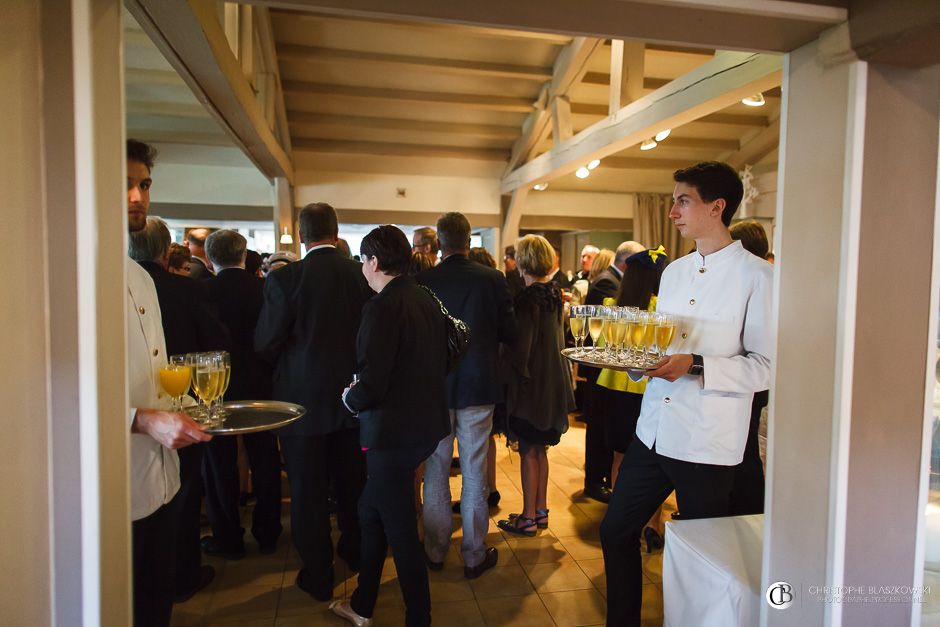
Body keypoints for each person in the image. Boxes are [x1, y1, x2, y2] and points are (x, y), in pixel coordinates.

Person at [600, 161, 773, 626]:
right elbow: (664, 344)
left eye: (683, 200)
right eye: (674, 200)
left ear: (716, 207)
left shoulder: (759, 277)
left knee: (704, 556)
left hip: (707, 441)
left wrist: (694, 366)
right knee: (615, 530)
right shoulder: (673, 272)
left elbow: (767, 367)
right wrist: (637, 363)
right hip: (654, 430)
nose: (673, 211)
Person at [331, 225, 450, 627]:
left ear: (374, 261)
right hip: (424, 425)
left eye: (363, 260)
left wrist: (350, 397)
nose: (362, 267)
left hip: (393, 435)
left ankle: (419, 617)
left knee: (400, 533)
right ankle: (363, 603)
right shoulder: (423, 296)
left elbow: (374, 381)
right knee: (370, 511)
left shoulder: (381, 306)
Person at [255, 203, 373, 602]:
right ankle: (356, 554)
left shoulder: (287, 280)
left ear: (302, 237)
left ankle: (319, 575)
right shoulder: (362, 275)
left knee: (307, 492)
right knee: (353, 484)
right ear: (337, 233)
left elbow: (266, 342)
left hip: (301, 402)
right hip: (354, 400)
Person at [125, 139, 213, 626]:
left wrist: (182, 404)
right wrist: (139, 419)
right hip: (113, 484)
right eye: (125, 185)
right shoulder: (66, 270)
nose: (137, 197)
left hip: (162, 475)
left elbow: (157, 371)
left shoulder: (141, 279)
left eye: (143, 184)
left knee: (156, 606)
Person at [128, 216, 229, 603]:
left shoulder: (135, 284)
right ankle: (183, 576)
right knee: (184, 493)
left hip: (165, 409)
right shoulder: (186, 290)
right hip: (178, 405)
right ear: (164, 249)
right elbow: (216, 344)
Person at [418, 213, 516, 579]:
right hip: (478, 384)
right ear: (469, 240)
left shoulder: (423, 280)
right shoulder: (492, 279)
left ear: (439, 243)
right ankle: (474, 554)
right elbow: (511, 331)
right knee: (475, 472)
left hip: (435, 388)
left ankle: (436, 550)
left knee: (436, 470)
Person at [201, 230, 283, 558]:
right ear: (244, 253)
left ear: (210, 258)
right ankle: (267, 532)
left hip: (215, 386)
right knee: (264, 459)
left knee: (219, 463)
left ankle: (228, 538)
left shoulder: (203, 290)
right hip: (261, 383)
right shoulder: (265, 289)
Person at [496, 235, 575, 537]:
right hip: (552, 383)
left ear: (523, 261)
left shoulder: (529, 299)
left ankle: (528, 517)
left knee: (529, 450)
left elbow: (521, 351)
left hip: (531, 387)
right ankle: (540, 511)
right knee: (540, 450)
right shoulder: (554, 294)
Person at [594, 247, 668, 552]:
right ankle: (653, 524)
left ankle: (620, 515)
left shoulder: (613, 307)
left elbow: (600, 349)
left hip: (614, 389)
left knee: (620, 457)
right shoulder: (661, 310)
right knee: (653, 461)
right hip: (649, 392)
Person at [581, 243, 641, 504]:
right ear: (628, 264)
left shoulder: (609, 279)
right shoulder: (609, 284)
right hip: (602, 367)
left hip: (605, 366)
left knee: (604, 426)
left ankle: (601, 477)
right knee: (599, 428)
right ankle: (595, 481)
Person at [729, 219, 773, 515]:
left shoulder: (761, 280)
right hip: (747, 377)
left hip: (751, 375)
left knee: (744, 449)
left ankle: (748, 511)